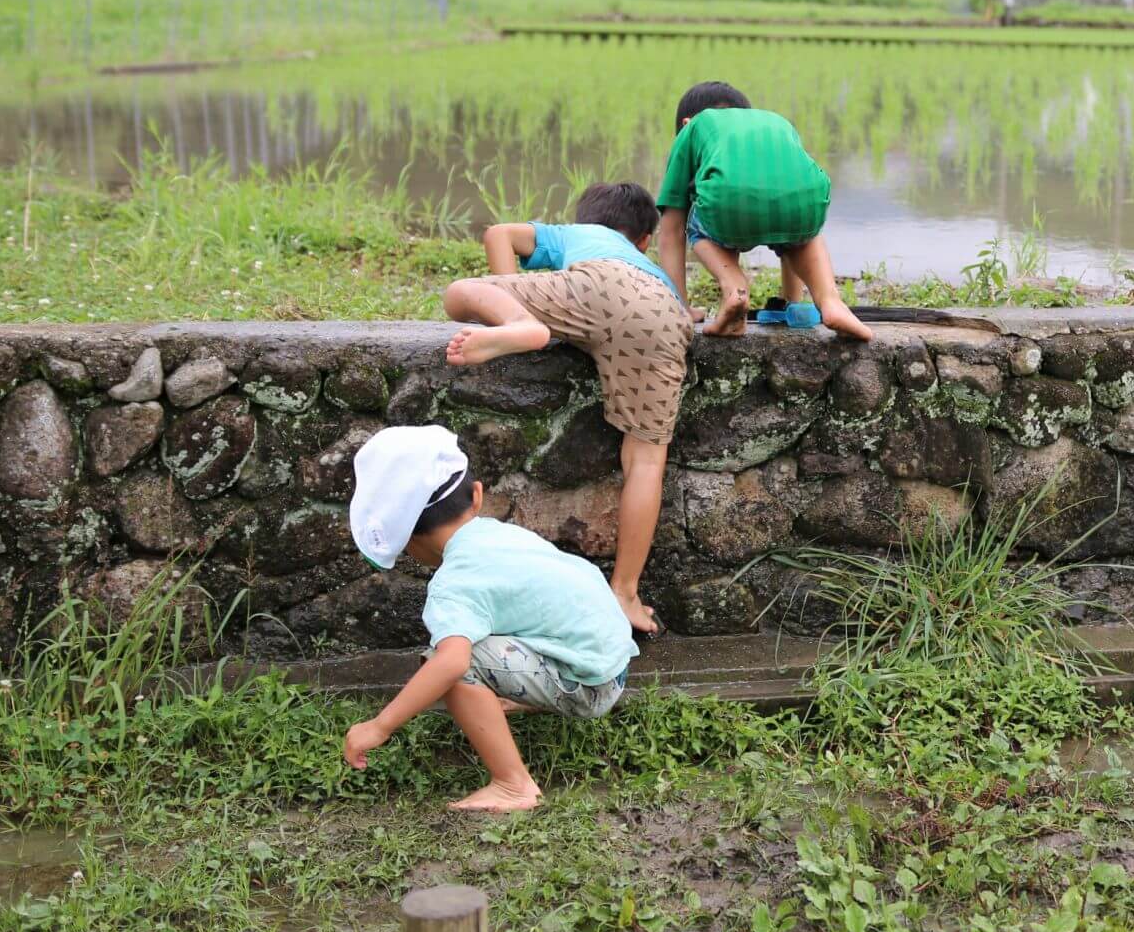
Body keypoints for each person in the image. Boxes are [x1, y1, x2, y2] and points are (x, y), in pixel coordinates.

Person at [341, 425, 638, 812]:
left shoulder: (452, 587)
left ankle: (513, 785)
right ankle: (530, 696)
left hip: (590, 686)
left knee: (446, 663)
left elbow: (452, 663)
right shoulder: (500, 536)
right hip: (614, 660)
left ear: (408, 542)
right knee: (471, 644)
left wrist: (379, 726)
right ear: (477, 495)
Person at [441, 181, 691, 634]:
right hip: (663, 311)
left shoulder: (572, 235)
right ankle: (626, 593)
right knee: (646, 459)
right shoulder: (651, 268)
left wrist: (511, 294)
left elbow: (498, 233)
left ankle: (519, 325)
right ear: (645, 241)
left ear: (584, 218)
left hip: (596, 285)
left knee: (460, 292)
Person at [655, 81, 872, 342]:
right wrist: (790, 302)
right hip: (808, 198)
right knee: (801, 229)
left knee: (698, 216)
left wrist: (681, 310)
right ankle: (828, 302)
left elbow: (671, 231)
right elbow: (788, 187)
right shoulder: (774, 122)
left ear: (686, 124)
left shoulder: (694, 129)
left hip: (728, 202)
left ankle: (734, 287)